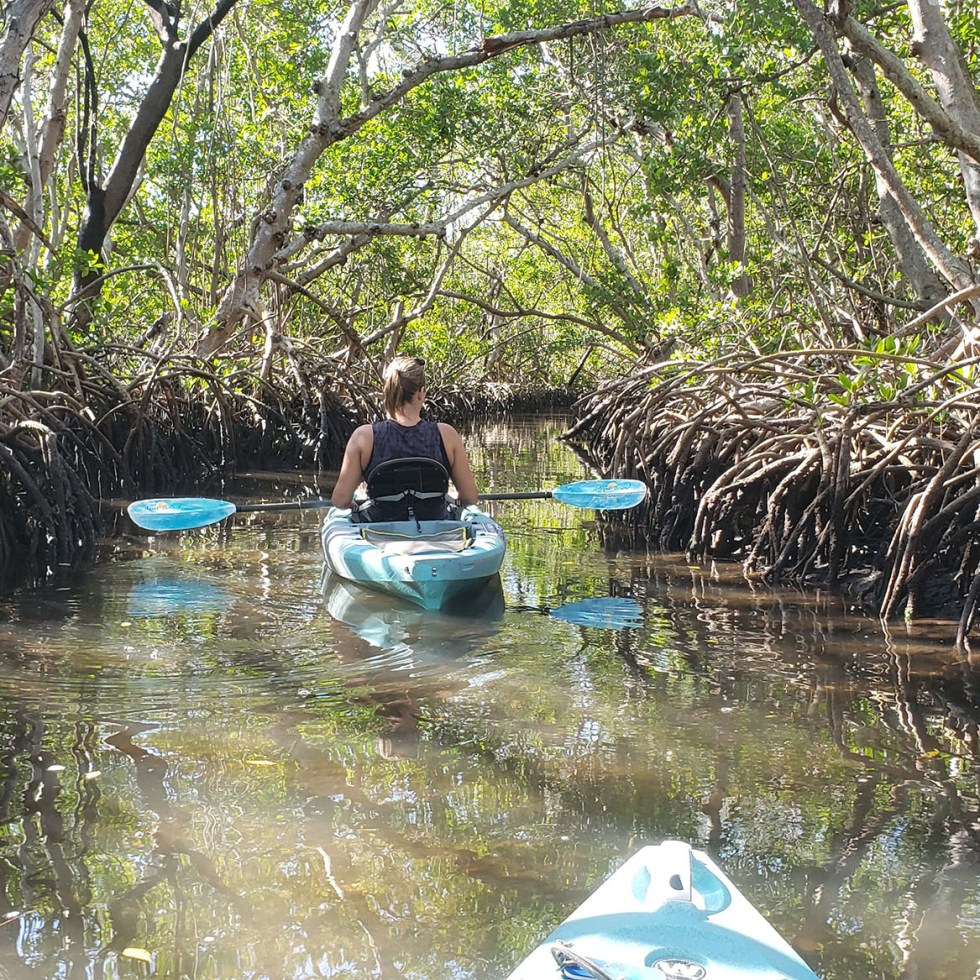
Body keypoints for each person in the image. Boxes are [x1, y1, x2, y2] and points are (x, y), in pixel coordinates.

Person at [330, 355, 480, 521]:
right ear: (421, 393)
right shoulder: (447, 435)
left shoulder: (363, 437)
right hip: (435, 528)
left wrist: (358, 507)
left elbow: (340, 500)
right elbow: (469, 497)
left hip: (380, 530)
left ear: (387, 392)